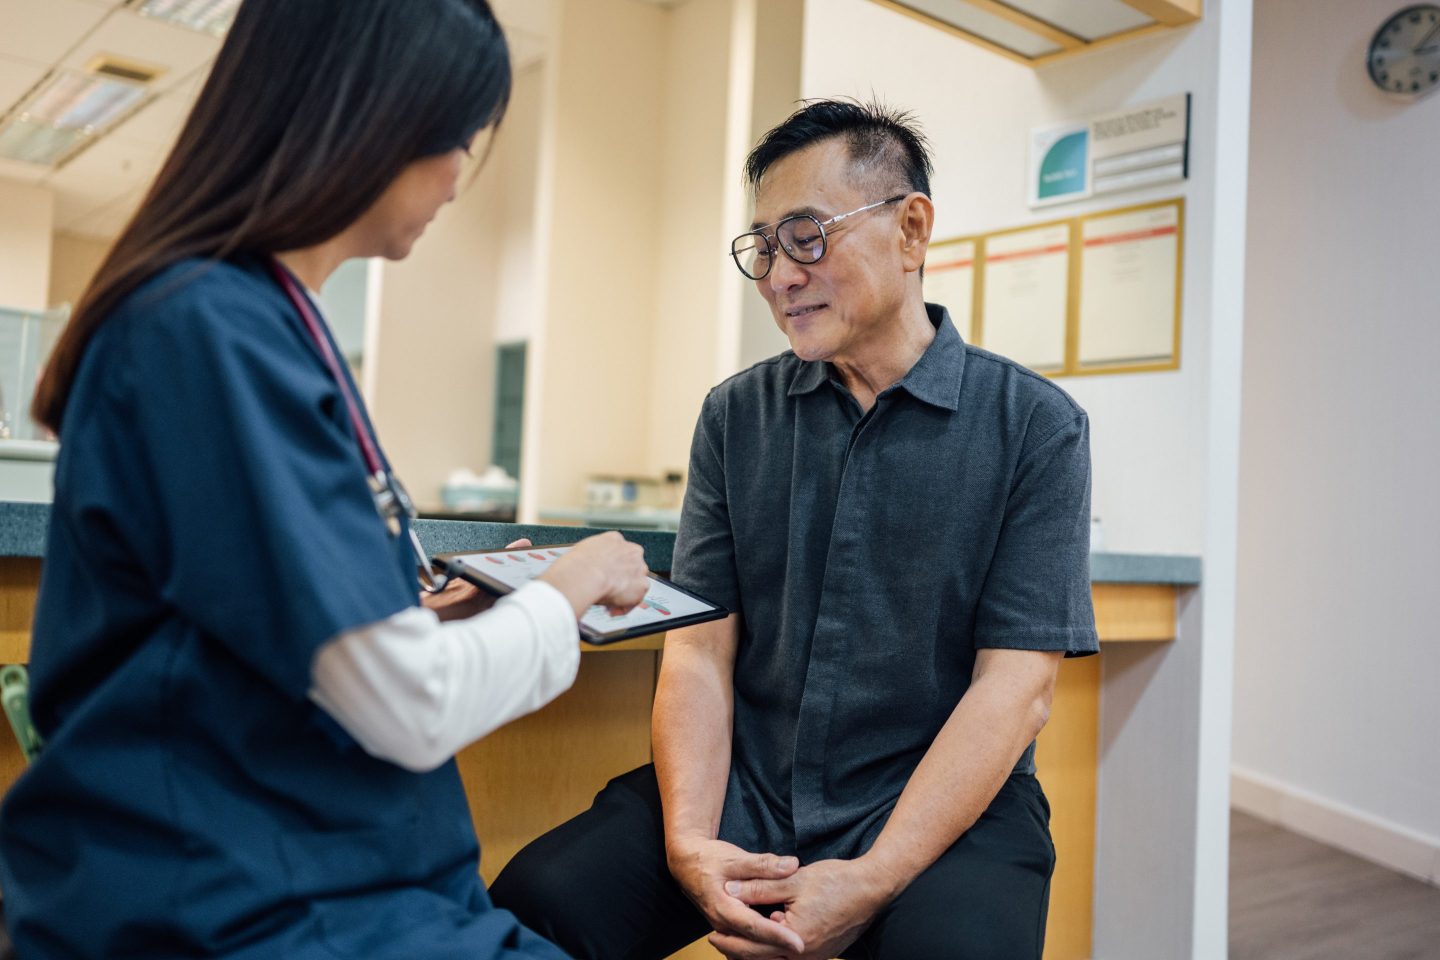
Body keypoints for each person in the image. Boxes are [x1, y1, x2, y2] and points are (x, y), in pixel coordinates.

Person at [0, 2, 651, 957]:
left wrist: (454, 609)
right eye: (459, 141)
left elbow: (278, 640)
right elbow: (405, 704)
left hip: (314, 869)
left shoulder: (271, 321)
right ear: (375, 120)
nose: (456, 182)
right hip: (231, 899)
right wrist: (568, 590)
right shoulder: (208, 330)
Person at [489, 100, 1100, 960]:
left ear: (912, 229)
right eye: (764, 245)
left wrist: (874, 876)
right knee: (538, 901)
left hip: (937, 802)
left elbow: (1016, 690)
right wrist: (690, 846)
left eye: (807, 235)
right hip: (751, 786)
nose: (780, 274)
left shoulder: (1036, 426)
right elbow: (700, 650)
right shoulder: (736, 417)